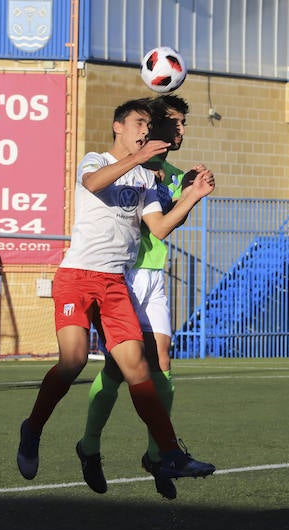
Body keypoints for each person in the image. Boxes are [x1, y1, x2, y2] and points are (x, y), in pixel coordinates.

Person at [16, 98, 216, 484]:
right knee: (73, 361)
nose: (145, 129)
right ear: (118, 127)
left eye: (148, 123)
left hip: (113, 282)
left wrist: (192, 196)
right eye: (139, 122)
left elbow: (157, 228)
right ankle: (33, 428)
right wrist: (139, 160)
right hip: (76, 276)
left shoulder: (146, 179)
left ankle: (169, 454)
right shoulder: (94, 161)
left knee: (139, 367)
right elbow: (93, 183)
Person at [79, 95, 207, 500]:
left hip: (155, 275)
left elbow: (166, 226)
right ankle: (90, 444)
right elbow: (146, 224)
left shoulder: (167, 171)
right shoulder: (130, 166)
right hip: (124, 274)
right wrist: (176, 193)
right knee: (120, 371)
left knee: (163, 365)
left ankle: (157, 456)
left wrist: (187, 193)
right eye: (176, 123)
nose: (181, 131)